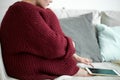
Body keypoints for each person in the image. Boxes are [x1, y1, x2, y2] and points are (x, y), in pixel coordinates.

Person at [0, 0, 92, 80]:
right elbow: (54, 46)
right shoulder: (22, 10)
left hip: (29, 61)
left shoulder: (35, 10)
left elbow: (57, 37)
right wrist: (71, 44)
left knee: (49, 13)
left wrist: (74, 55)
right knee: (69, 64)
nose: (52, 1)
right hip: (24, 66)